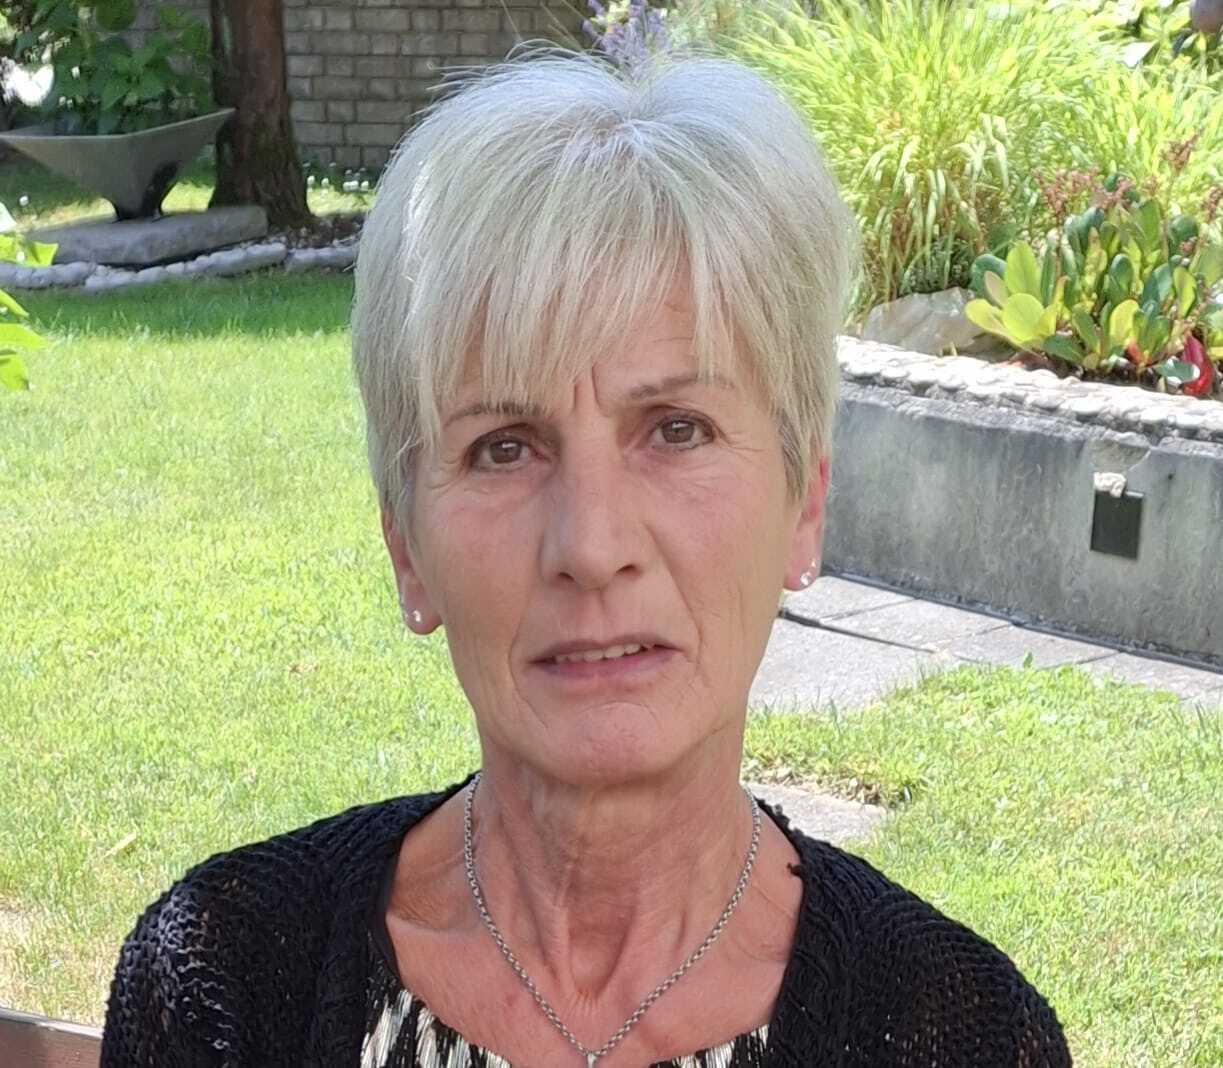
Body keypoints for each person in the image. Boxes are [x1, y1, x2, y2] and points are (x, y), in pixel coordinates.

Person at [100, 49, 1071, 1068]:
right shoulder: (223, 984)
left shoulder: (962, 1036)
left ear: (804, 504)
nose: (592, 546)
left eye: (677, 430)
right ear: (405, 545)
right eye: (503, 447)